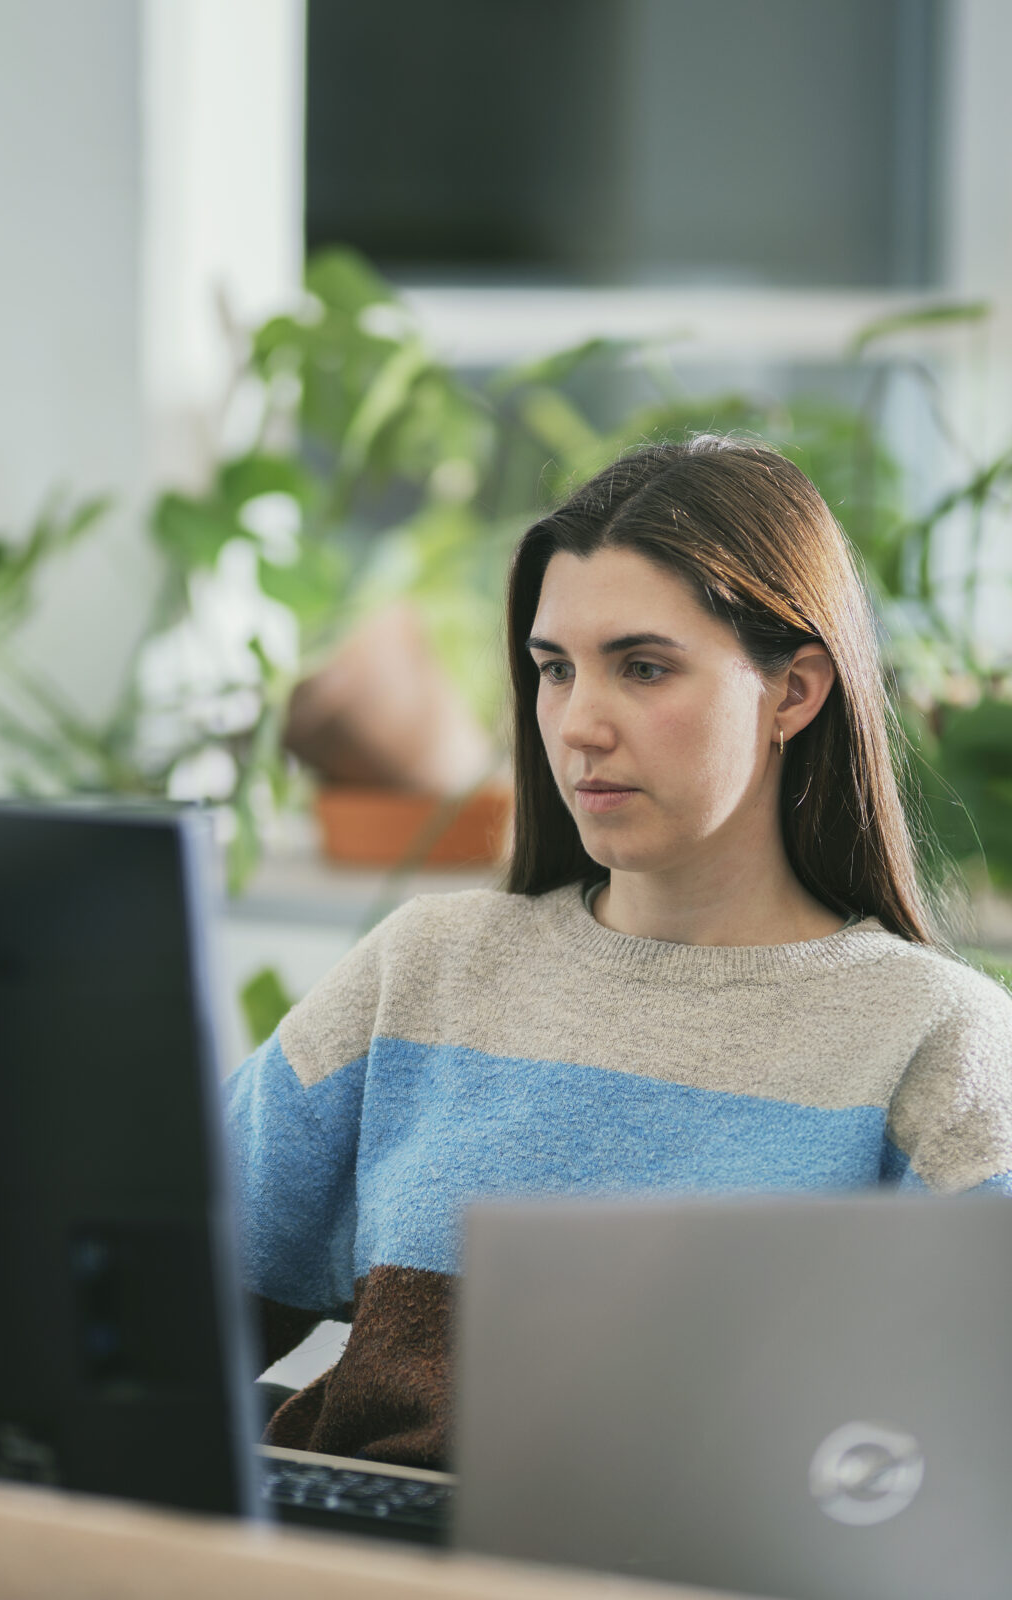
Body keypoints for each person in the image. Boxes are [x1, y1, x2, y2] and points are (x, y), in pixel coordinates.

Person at [224, 436, 1012, 1470]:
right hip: (355, 1543)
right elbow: (155, 1301)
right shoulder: (425, 967)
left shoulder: (933, 1040)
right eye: (555, 669)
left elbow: (973, 1457)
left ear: (794, 693)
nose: (579, 725)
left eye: (644, 668)